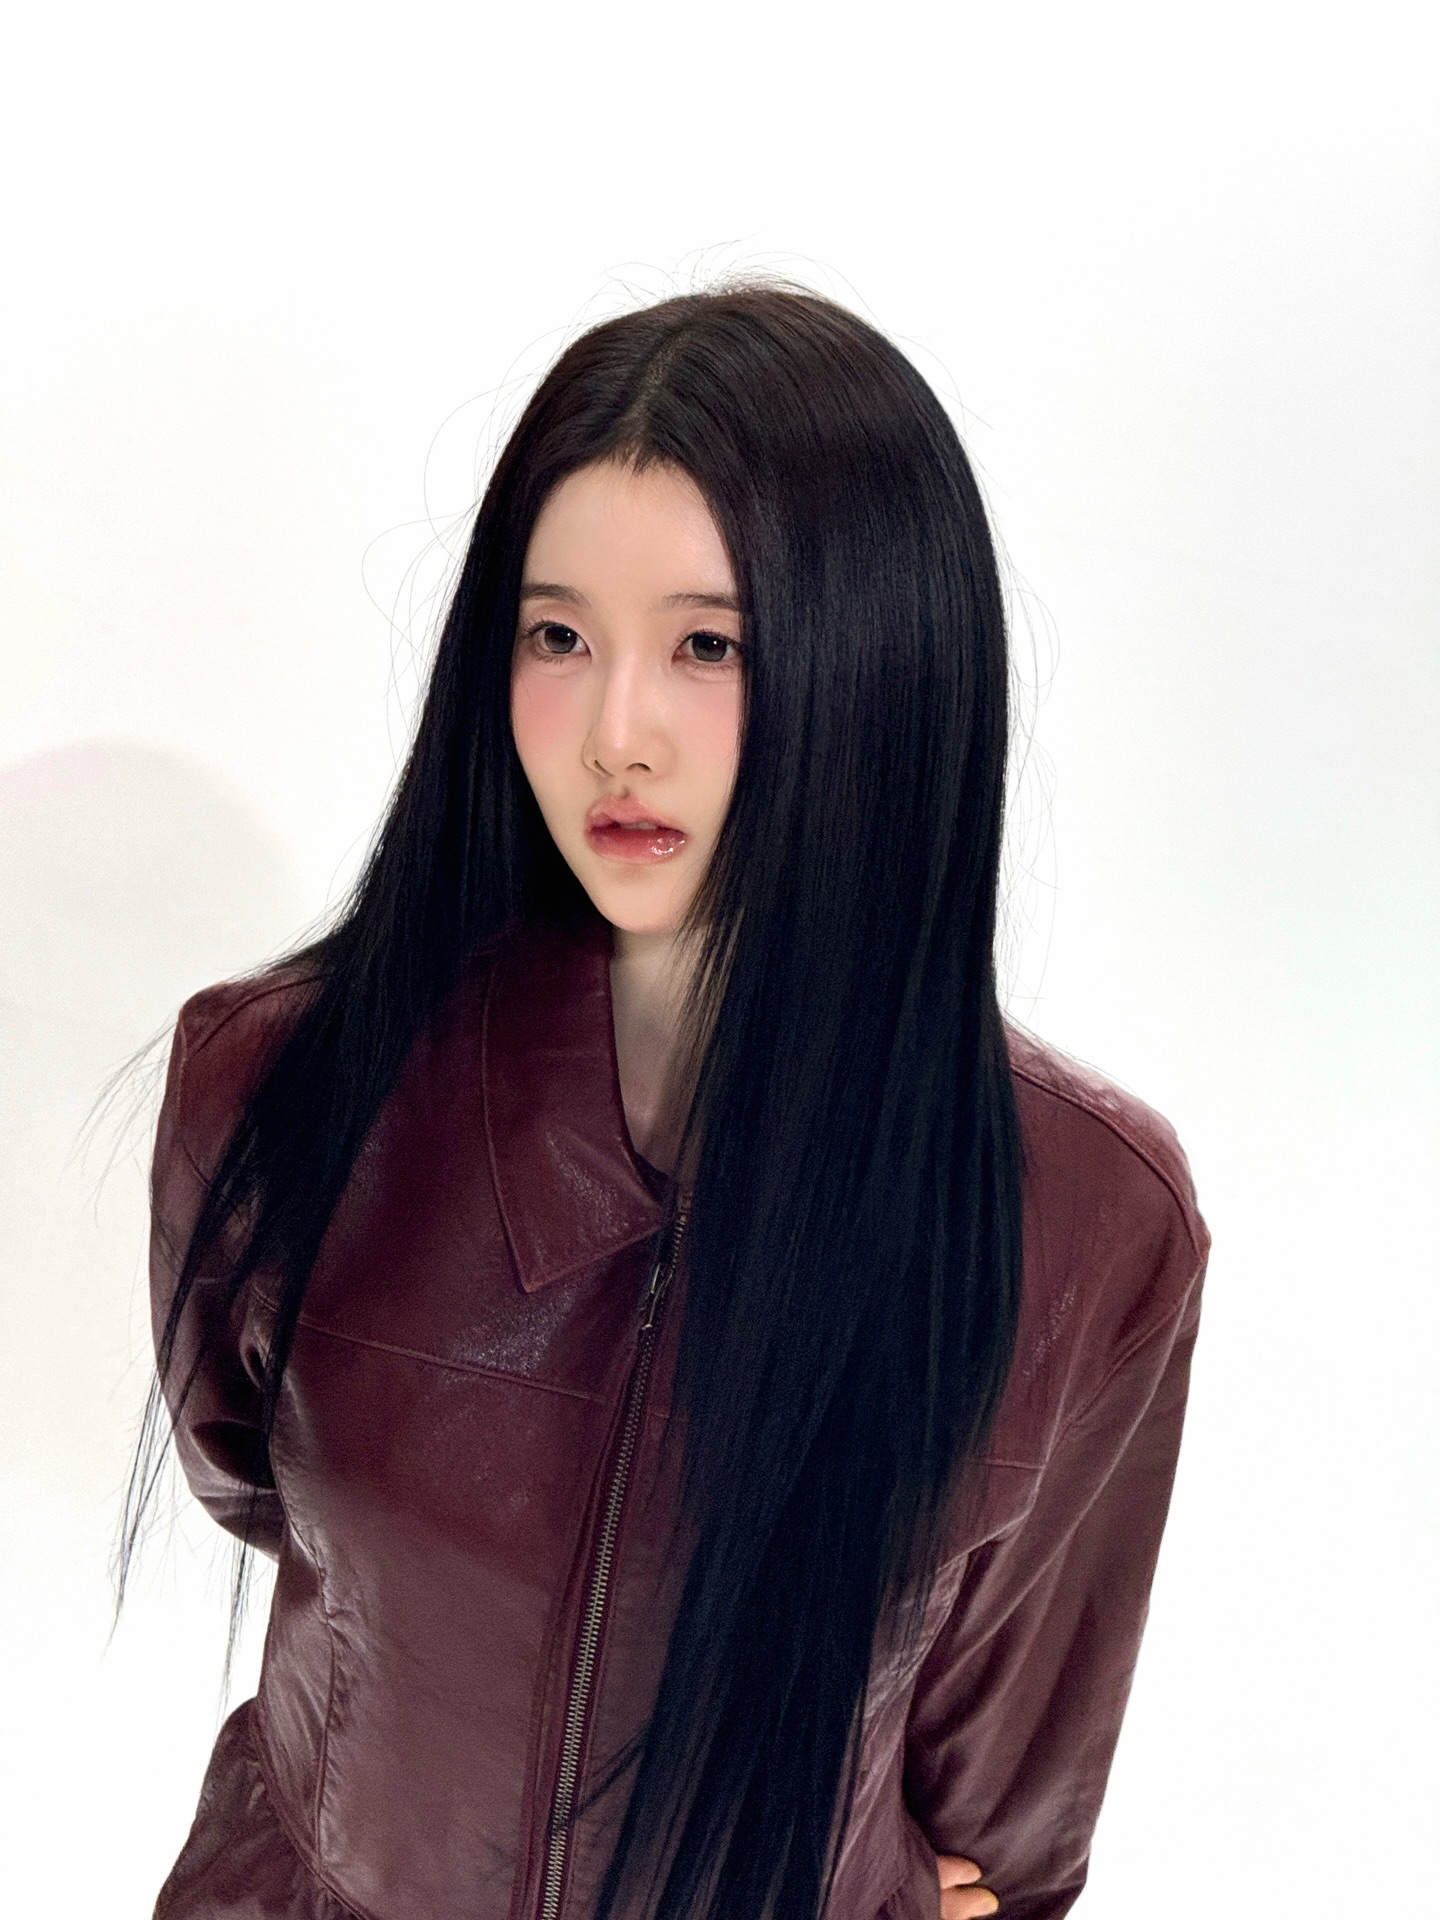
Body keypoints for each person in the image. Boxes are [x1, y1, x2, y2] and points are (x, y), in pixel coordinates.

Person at [128, 283, 1210, 1920]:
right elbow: (264, 1495)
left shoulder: (1087, 1215)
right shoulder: (281, 1083)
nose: (613, 734)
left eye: (710, 645)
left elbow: (1004, 1814)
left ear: (882, 666)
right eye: (557, 637)